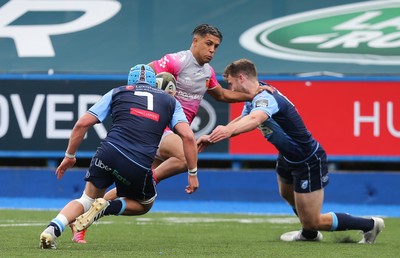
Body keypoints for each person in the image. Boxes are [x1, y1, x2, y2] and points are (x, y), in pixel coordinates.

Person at [71, 23, 271, 244]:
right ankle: (148, 180)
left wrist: (252, 95)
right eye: (208, 44)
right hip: (158, 128)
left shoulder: (207, 73)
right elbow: (144, 72)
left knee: (124, 190)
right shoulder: (177, 61)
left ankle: (83, 220)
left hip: (170, 133)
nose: (212, 50)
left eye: (216, 46)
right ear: (195, 41)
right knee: (187, 155)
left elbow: (222, 95)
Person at [196, 58, 385, 244]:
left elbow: (254, 120)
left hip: (307, 159)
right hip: (288, 157)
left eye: (230, 84)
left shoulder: (265, 98)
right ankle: (309, 235)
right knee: (286, 193)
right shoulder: (255, 95)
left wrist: (226, 131)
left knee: (313, 221)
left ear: (241, 77)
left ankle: (369, 224)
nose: (231, 90)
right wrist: (213, 136)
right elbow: (243, 119)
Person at [39, 64, 199, 249]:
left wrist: (69, 156)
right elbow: (187, 136)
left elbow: (82, 124)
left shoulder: (117, 92)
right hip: (137, 162)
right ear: (153, 82)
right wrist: (192, 173)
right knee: (145, 203)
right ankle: (107, 207)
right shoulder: (171, 101)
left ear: (129, 81)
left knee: (86, 199)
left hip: (108, 153)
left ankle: (52, 228)